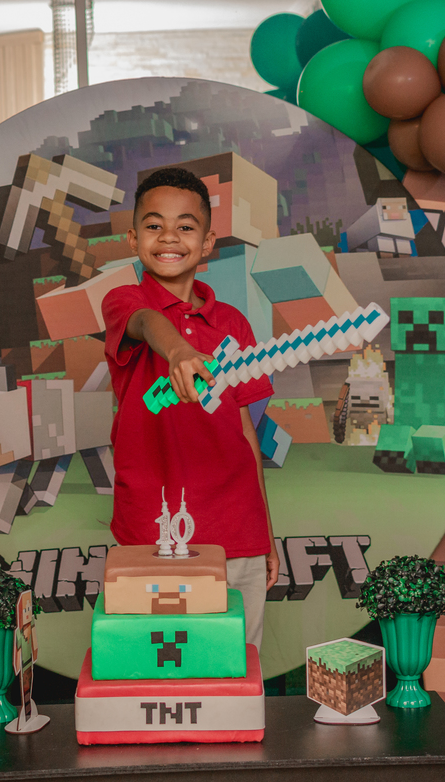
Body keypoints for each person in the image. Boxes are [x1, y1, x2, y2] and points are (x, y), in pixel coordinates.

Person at [101, 166, 279, 650]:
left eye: (185, 226)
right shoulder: (123, 301)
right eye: (153, 225)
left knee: (235, 666)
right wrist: (179, 350)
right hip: (150, 530)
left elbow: (245, 431)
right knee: (153, 667)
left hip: (236, 528)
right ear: (133, 239)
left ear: (207, 244)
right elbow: (145, 322)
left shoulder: (232, 323)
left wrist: (265, 530)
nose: (169, 237)